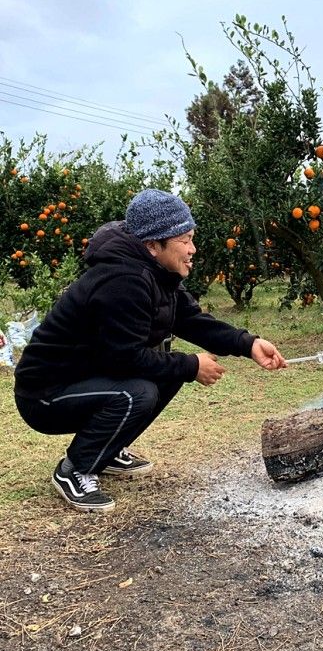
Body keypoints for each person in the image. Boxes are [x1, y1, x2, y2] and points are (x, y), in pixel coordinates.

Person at [14, 188, 286, 513]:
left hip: (86, 379)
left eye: (191, 237)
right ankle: (75, 470)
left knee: (165, 377)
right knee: (139, 391)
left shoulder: (158, 275)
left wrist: (249, 343)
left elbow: (193, 321)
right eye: (185, 240)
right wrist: (190, 365)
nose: (193, 249)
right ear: (153, 245)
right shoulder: (123, 281)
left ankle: (108, 449)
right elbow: (124, 359)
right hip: (45, 394)